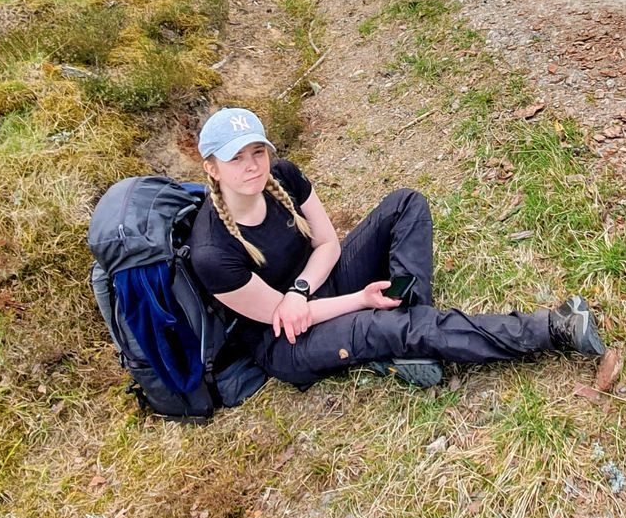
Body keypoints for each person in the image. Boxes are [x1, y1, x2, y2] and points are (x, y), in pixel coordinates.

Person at [187, 106, 604, 391]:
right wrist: (359, 300)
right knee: (391, 325)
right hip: (288, 341)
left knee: (405, 203)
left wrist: (301, 287)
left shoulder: (282, 177)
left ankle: (411, 332)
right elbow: (287, 317)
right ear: (211, 166)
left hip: (312, 289)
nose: (252, 166)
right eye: (235, 157)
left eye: (257, 151)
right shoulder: (213, 251)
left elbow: (328, 243)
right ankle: (552, 329)